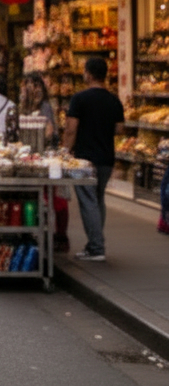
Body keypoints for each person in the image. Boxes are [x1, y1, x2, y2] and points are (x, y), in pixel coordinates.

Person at [62, 56, 125, 261]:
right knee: (98, 200)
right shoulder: (114, 100)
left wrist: (64, 153)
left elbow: (71, 129)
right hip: (106, 157)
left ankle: (97, 248)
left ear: (88, 74)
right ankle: (93, 244)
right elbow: (120, 128)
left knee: (88, 201)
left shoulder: (79, 99)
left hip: (85, 159)